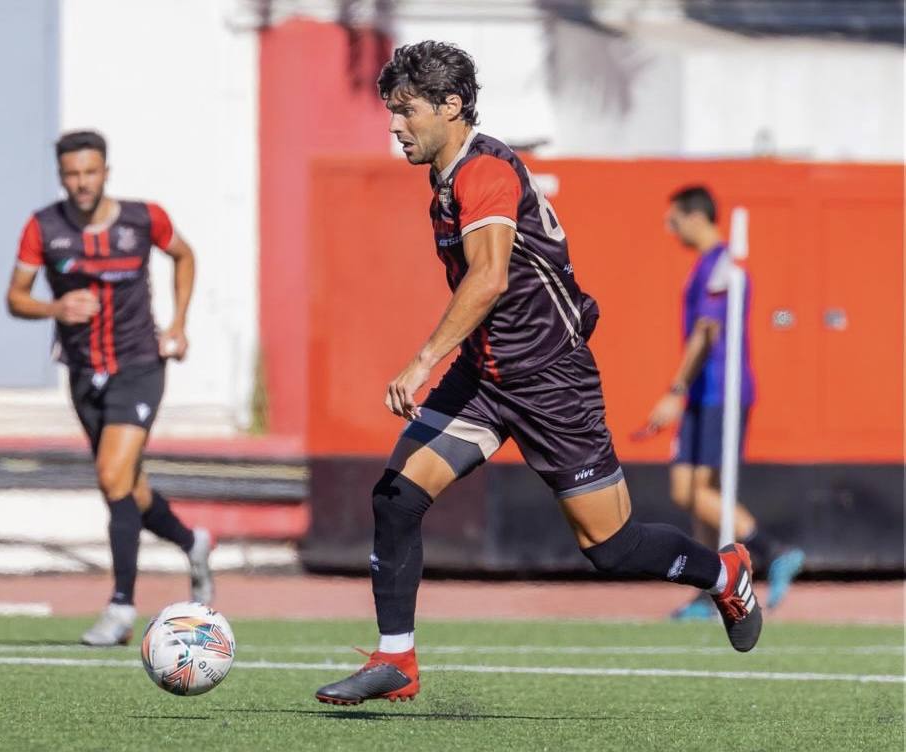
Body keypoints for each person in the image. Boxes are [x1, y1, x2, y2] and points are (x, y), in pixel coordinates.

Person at [315, 42, 762, 706]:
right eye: (392, 113)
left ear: (451, 106)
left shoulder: (483, 173)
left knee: (610, 547)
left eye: (407, 112)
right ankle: (397, 660)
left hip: (552, 383)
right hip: (485, 381)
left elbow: (491, 278)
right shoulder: (447, 179)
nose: (396, 127)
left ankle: (724, 571)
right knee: (398, 498)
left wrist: (422, 357)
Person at [6, 130, 213, 646]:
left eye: (90, 172)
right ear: (61, 176)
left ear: (105, 171)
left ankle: (121, 607)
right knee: (126, 486)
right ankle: (193, 543)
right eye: (72, 174)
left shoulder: (144, 219)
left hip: (139, 364)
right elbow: (15, 297)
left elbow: (185, 256)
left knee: (110, 474)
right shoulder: (43, 227)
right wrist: (55, 308)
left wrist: (179, 323)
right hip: (82, 372)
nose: (81, 183)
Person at [642, 186, 804, 621]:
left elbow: (707, 330)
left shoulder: (722, 265)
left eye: (673, 218)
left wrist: (674, 391)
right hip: (701, 393)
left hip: (719, 392)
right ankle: (707, 587)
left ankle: (772, 551)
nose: (669, 227)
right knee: (687, 490)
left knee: (704, 491)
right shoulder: (705, 267)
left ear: (696, 216)